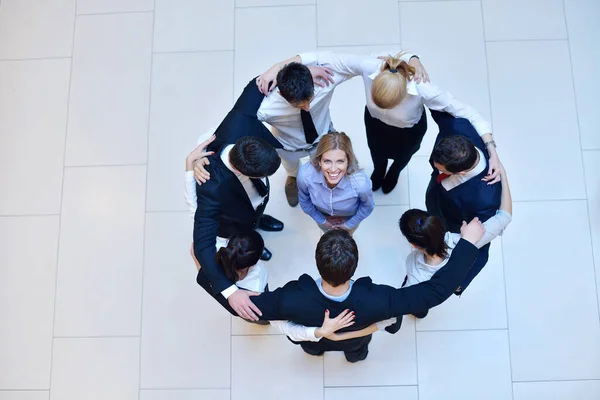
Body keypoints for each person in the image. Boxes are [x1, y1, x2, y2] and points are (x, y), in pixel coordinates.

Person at [258, 51, 502, 194]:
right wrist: (277, 67)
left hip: (408, 133)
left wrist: (492, 150)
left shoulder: (422, 88)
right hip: (374, 126)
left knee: (401, 160)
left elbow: (467, 111)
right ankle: (379, 172)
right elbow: (322, 55)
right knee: (377, 154)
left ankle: (393, 174)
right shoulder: (370, 68)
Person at [247, 219, 485, 362]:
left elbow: (259, 311)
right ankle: (353, 356)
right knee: (357, 353)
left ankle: (321, 350)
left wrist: (318, 333)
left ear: (317, 262)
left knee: (314, 350)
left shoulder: (291, 297)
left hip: (313, 342)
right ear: (355, 265)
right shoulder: (381, 299)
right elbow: (436, 291)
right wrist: (467, 244)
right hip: (356, 342)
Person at [255, 52, 427, 205]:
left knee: (324, 166)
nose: (307, 107)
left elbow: (359, 61)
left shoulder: (324, 79)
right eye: (300, 104)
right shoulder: (266, 107)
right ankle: (292, 178)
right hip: (287, 146)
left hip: (322, 139)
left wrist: (412, 59)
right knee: (290, 167)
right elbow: (243, 120)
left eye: (310, 100)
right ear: (280, 95)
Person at [193, 230, 364, 339]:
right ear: (254, 262)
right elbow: (282, 323)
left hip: (246, 297)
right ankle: (261, 322)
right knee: (261, 318)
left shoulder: (212, 248)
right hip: (258, 305)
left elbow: (195, 248)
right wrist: (319, 333)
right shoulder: (256, 285)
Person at [399, 165, 512, 317]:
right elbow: (504, 217)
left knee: (419, 309)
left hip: (421, 296)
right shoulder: (469, 240)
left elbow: (402, 303)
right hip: (447, 286)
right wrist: (503, 175)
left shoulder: (416, 275)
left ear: (414, 244)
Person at [193, 135, 282, 321]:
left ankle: (259, 222)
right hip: (234, 222)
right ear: (242, 171)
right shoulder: (211, 189)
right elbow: (201, 247)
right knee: (247, 236)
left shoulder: (239, 130)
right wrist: (230, 291)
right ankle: (253, 248)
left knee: (254, 217)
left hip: (253, 206)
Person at [425, 110, 504, 294]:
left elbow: (482, 240)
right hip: (436, 200)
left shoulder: (486, 198)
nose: (435, 167)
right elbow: (441, 102)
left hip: (451, 224)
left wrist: (460, 280)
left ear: (460, 172)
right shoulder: (457, 127)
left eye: (440, 168)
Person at [297, 131, 374, 234]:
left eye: (340, 161)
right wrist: (323, 221)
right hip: (321, 214)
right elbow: (304, 201)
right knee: (328, 237)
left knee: (346, 239)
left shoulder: (360, 184)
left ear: (348, 161)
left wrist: (348, 225)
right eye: (327, 161)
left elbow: (367, 206)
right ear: (319, 161)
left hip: (349, 216)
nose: (333, 169)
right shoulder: (305, 175)